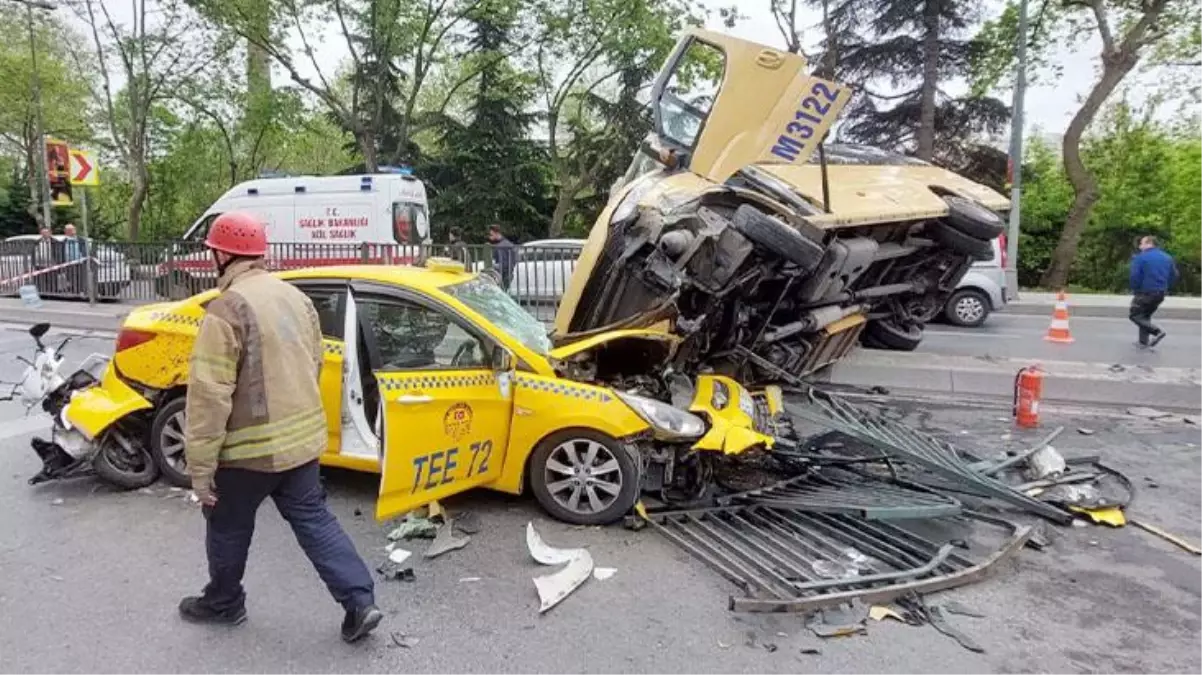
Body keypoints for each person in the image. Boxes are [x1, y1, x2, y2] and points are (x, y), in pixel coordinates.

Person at [180, 211, 382, 643]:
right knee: (315, 521)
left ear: (220, 254)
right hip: (302, 444)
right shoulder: (295, 297)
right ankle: (359, 601)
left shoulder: (227, 308)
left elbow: (209, 397)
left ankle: (223, 603)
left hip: (248, 453)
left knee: (227, 524)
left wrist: (200, 472)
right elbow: (312, 362)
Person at [1128, 235, 1176, 348]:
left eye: (1142, 243)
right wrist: (1165, 286)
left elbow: (1135, 276)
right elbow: (1174, 275)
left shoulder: (1141, 258)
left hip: (1145, 292)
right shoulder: (1167, 257)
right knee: (1145, 315)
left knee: (1134, 315)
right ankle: (1143, 342)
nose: (1140, 246)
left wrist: (1135, 289)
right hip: (1161, 292)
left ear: (1149, 244)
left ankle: (1157, 332)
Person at [61, 224, 89, 295]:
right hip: (68, 263)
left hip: (80, 262)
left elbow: (86, 251)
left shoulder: (81, 240)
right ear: (66, 231)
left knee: (80, 277)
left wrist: (84, 258)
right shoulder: (63, 241)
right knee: (71, 278)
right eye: (69, 230)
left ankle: (81, 291)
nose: (71, 231)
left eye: (72, 229)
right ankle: (74, 292)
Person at [488, 223, 516, 289]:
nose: (489, 237)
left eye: (491, 235)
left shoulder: (500, 246)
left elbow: (502, 264)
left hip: (503, 275)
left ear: (496, 233)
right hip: (509, 274)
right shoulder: (508, 243)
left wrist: (492, 266)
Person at [30, 227, 57, 295]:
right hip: (39, 264)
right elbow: (33, 252)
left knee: (51, 280)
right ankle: (41, 292)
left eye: (46, 232)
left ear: (50, 233)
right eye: (43, 233)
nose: (45, 234)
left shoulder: (55, 242)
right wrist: (33, 262)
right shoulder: (37, 242)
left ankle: (52, 293)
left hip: (51, 264)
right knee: (40, 280)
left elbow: (58, 252)